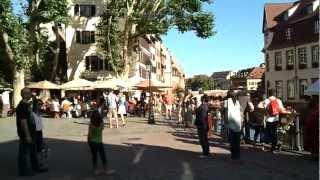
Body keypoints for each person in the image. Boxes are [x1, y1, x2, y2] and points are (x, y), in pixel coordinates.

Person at [16, 88, 48, 177]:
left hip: (32, 132)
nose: (31, 94)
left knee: (33, 151)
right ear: (25, 94)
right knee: (23, 153)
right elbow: (23, 122)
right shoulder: (22, 106)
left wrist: (34, 99)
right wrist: (27, 135)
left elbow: (35, 108)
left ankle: (36, 167)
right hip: (26, 133)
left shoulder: (27, 105)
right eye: (29, 93)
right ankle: (22, 171)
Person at [87, 110, 114, 175]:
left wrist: (88, 141)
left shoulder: (91, 124)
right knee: (103, 156)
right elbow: (102, 128)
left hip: (92, 142)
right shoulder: (101, 123)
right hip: (99, 142)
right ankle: (106, 170)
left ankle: (95, 170)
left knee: (94, 156)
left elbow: (89, 135)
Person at [264, 89, 290, 154]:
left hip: (268, 119)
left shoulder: (266, 100)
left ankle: (273, 146)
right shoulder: (278, 100)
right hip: (275, 119)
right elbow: (281, 110)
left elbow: (264, 110)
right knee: (274, 133)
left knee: (270, 133)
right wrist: (288, 112)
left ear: (269, 94)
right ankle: (274, 147)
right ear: (275, 94)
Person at [224, 91, 242, 160]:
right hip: (238, 122)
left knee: (232, 141)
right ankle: (237, 155)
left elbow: (226, 112)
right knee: (237, 140)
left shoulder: (227, 101)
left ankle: (233, 155)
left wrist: (225, 121)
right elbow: (239, 111)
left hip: (231, 122)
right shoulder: (237, 102)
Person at [304, 95, 319, 160]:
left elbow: (309, 121)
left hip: (312, 129)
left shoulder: (312, 112)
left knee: (314, 142)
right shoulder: (316, 110)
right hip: (315, 128)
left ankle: (315, 155)